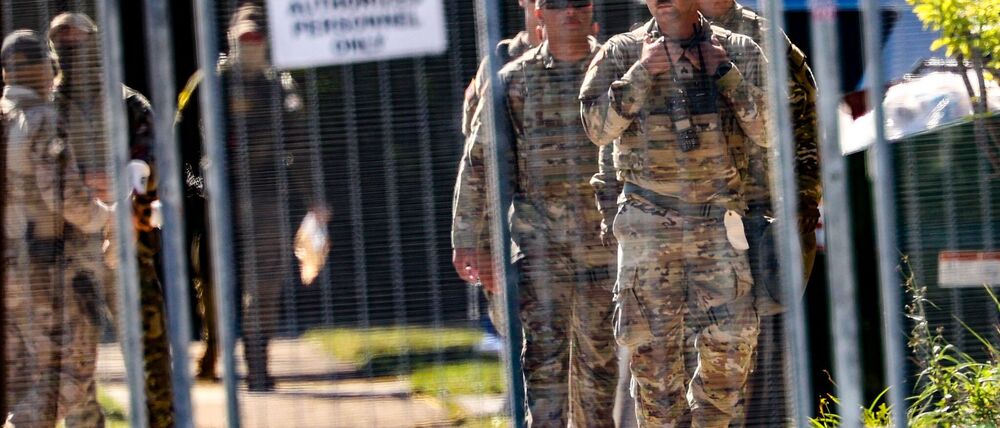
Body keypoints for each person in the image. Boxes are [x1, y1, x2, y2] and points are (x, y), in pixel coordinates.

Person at [579, 0, 772, 424]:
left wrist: (726, 74)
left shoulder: (737, 49)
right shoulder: (621, 52)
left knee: (730, 356)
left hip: (718, 223)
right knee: (654, 368)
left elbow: (772, 130)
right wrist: (644, 71)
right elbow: (596, 128)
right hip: (648, 223)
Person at [453, 0, 618, 425]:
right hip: (541, 252)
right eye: (557, 4)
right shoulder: (513, 81)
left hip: (606, 252)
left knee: (599, 377)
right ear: (539, 13)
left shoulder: (616, 71)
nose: (570, 12)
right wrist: (470, 241)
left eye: (579, 2)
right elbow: (480, 165)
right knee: (544, 374)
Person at [696, 1, 822, 424]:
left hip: (759, 219)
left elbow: (803, 123)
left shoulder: (764, 37)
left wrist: (803, 199)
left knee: (761, 359)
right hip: (688, 222)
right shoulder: (660, 38)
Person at [47, 12, 175, 427]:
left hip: (124, 240)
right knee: (73, 357)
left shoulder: (128, 103)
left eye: (78, 42)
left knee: (146, 345)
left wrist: (124, 185)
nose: (71, 50)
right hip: (68, 247)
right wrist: (79, 185)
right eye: (62, 43)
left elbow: (153, 156)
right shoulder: (47, 106)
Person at [179, 3, 314, 390]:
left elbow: (300, 145)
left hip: (266, 192)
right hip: (215, 196)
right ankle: (213, 347)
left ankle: (257, 363)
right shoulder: (208, 82)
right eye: (244, 39)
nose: (251, 45)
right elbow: (180, 139)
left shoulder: (280, 86)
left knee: (265, 281)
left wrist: (314, 199)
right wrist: (190, 188)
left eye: (256, 39)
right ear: (231, 40)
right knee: (213, 279)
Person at [2, 29, 113, 427]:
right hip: (44, 273)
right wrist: (109, 217)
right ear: (45, 70)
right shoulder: (42, 120)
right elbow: (68, 199)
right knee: (68, 373)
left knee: (16, 379)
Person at [456, 0, 540, 351]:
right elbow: (479, 165)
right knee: (532, 354)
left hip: (590, 243)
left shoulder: (602, 58)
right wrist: (480, 244)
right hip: (517, 241)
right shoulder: (499, 66)